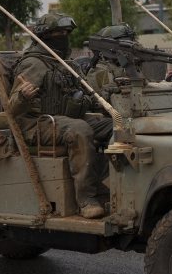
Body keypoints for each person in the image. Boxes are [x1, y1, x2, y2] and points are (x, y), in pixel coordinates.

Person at [7, 12, 113, 219]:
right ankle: (86, 199)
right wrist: (23, 96)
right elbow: (12, 109)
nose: (63, 36)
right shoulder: (34, 64)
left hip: (66, 118)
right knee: (80, 130)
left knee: (114, 127)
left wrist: (108, 96)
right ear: (45, 36)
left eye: (66, 32)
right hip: (37, 123)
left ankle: (107, 184)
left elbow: (91, 95)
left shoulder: (66, 64)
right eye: (58, 32)